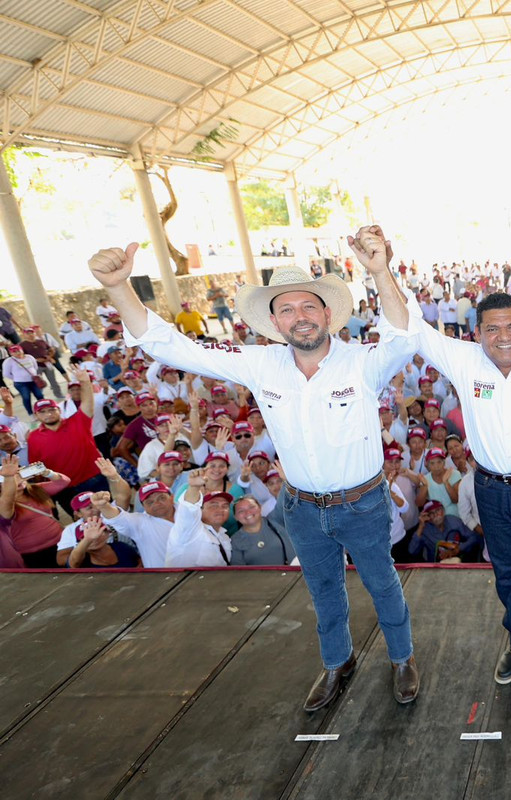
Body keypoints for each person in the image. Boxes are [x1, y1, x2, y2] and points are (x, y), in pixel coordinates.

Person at [87, 227, 422, 713]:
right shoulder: (259, 364)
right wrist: (119, 288)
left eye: (308, 306)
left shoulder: (363, 362)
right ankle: (337, 662)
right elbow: (172, 348)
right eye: (287, 309)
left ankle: (402, 658)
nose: (300, 317)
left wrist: (379, 272)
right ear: (273, 321)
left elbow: (404, 335)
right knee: (323, 589)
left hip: (363, 502)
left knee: (382, 583)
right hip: (302, 507)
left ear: (328, 313)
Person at [395, 229, 511, 690]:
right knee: (508, 573)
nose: (504, 337)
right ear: (476, 332)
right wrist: (383, 270)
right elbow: (411, 326)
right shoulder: (463, 361)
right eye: (493, 328)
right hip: (493, 490)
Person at [26, 370, 107, 515]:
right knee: (82, 525)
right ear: (37, 416)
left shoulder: (79, 421)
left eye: (52, 410)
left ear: (59, 411)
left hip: (94, 480)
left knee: (109, 515)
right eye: (42, 412)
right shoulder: (33, 438)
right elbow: (37, 468)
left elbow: (88, 402)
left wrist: (85, 382)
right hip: (64, 489)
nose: (48, 414)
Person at [0, 455, 71, 567]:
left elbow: (64, 482)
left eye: (20, 474)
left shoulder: (35, 490)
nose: (18, 479)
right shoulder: (5, 505)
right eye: (13, 478)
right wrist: (9, 478)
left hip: (62, 542)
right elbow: (6, 505)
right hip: (32, 553)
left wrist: (47, 472)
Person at [230, 495, 295, 565]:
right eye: (241, 511)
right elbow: (239, 571)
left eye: (251, 507)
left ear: (260, 508)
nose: (248, 512)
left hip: (296, 573)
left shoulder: (277, 520)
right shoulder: (235, 540)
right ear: (235, 517)